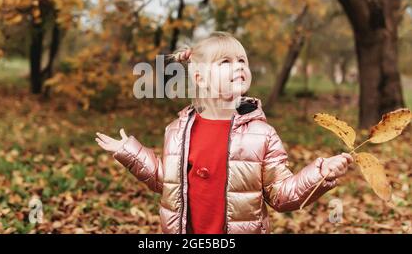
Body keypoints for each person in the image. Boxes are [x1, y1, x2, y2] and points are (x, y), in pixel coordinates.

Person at [95, 31, 353, 234]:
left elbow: (281, 195)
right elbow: (168, 183)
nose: (238, 66)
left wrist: (321, 174)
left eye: (242, 60)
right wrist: (129, 152)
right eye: (226, 62)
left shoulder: (262, 135)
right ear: (200, 78)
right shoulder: (177, 131)